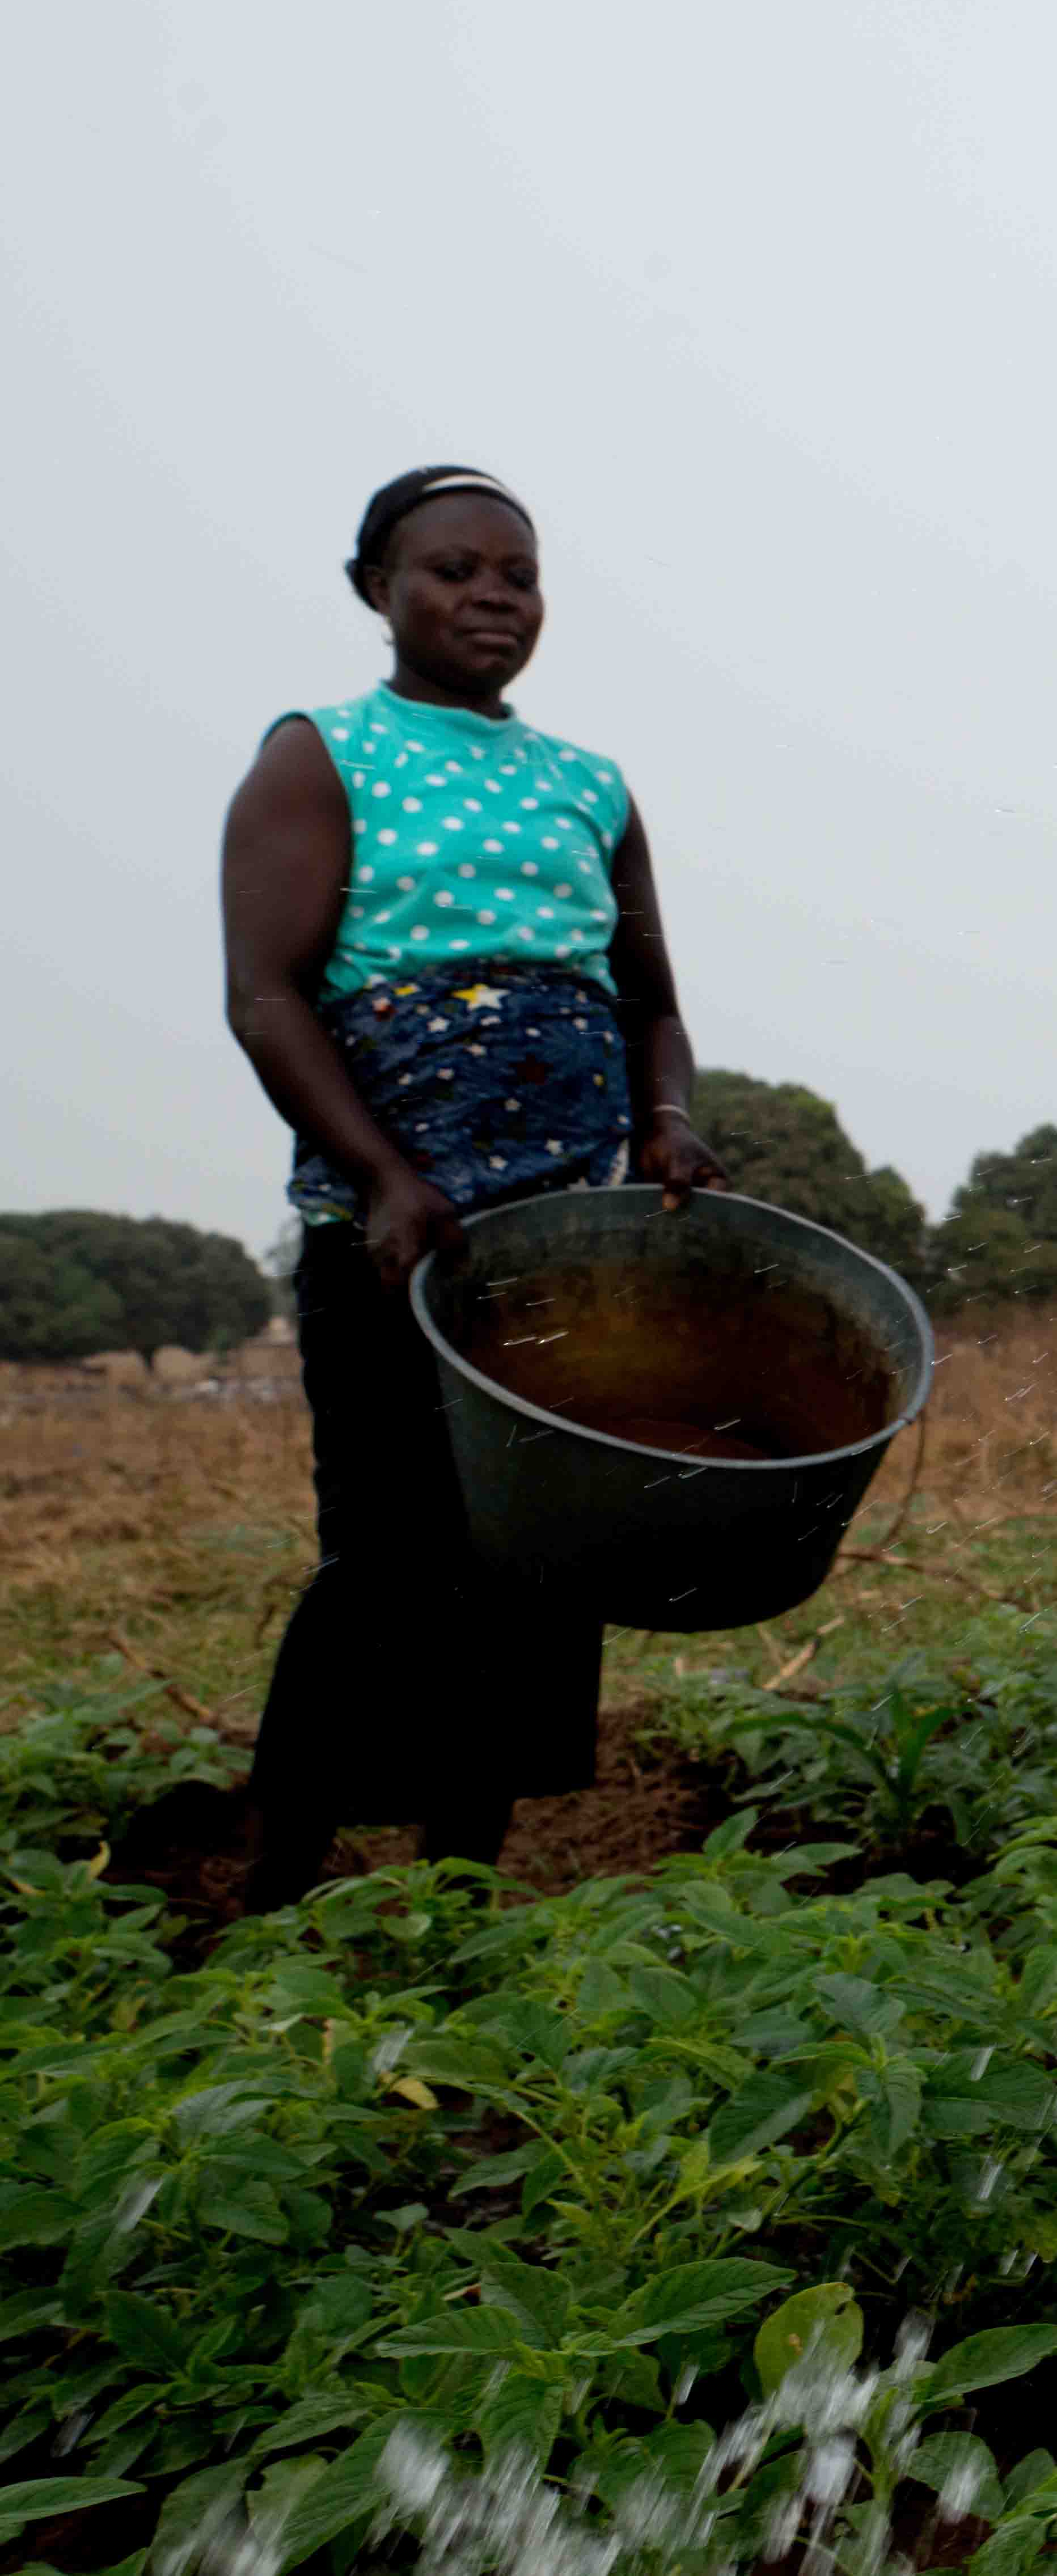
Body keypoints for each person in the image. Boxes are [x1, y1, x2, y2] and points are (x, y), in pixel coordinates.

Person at [218, 466, 725, 1909]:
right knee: (384, 1557)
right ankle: (279, 1880)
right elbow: (267, 994)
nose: (493, 597)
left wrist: (667, 1127)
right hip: (396, 1235)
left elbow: (651, 1008)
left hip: (561, 1247)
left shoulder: (590, 784)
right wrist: (384, 1177)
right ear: (377, 590)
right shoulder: (323, 755)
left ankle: (460, 1890)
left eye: (518, 574)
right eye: (454, 571)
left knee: (533, 1557)